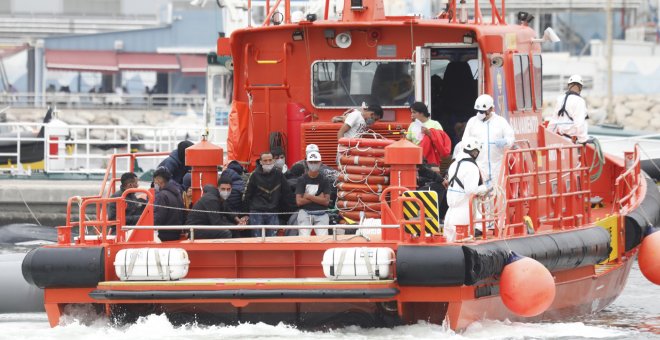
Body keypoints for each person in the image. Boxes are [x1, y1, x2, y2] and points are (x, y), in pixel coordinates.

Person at [463, 94, 515, 186]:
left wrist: (505, 142)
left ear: (491, 109)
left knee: (498, 193)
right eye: (478, 111)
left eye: (483, 111)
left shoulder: (500, 122)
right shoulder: (472, 122)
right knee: (480, 195)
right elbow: (465, 140)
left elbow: (511, 138)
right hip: (478, 166)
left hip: (497, 166)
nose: (480, 113)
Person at [444, 137, 488, 242]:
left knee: (449, 240)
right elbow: (471, 191)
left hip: (450, 212)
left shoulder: (453, 165)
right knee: (463, 240)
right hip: (463, 210)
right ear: (475, 152)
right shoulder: (471, 167)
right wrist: (485, 188)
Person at [243, 152, 294, 237]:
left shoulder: (279, 175)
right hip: (256, 212)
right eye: (265, 160)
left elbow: (287, 194)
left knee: (273, 240)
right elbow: (248, 195)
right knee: (257, 240)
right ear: (261, 162)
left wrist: (292, 211)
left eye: (270, 160)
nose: (268, 163)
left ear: (273, 160)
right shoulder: (254, 175)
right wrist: (244, 213)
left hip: (273, 212)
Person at [295, 151, 331, 237]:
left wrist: (308, 196)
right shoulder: (301, 179)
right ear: (307, 163)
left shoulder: (325, 180)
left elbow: (326, 202)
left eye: (316, 162)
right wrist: (318, 198)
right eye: (311, 162)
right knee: (303, 237)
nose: (313, 164)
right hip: (305, 212)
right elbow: (299, 202)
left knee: (323, 238)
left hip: (322, 213)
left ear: (320, 163)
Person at [548, 74, 589, 144]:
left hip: (560, 139)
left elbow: (553, 121)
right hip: (571, 142)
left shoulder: (560, 99)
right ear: (580, 88)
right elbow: (579, 123)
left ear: (568, 86)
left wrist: (548, 138)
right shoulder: (580, 101)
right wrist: (583, 140)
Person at [153, 167, 185, 241]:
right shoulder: (177, 193)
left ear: (159, 179)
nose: (154, 183)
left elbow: (158, 218)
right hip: (176, 233)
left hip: (163, 236)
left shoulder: (162, 195)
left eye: (155, 181)